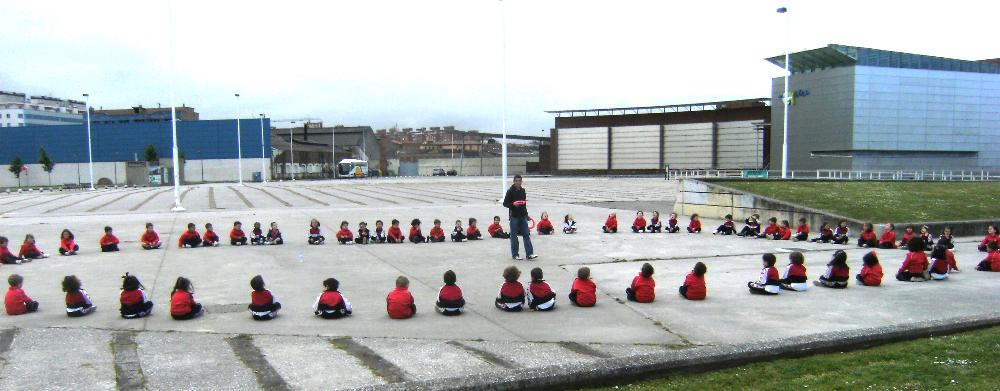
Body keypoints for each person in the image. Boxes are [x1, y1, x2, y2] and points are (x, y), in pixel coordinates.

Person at [502, 175, 536, 260]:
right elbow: (505, 203)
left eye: (519, 181)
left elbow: (524, 204)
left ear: (521, 181)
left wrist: (526, 214)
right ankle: (515, 254)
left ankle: (529, 254)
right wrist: (513, 205)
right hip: (514, 217)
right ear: (514, 181)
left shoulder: (523, 191)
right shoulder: (510, 191)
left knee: (526, 235)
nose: (518, 182)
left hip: (522, 216)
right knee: (514, 236)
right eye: (516, 181)